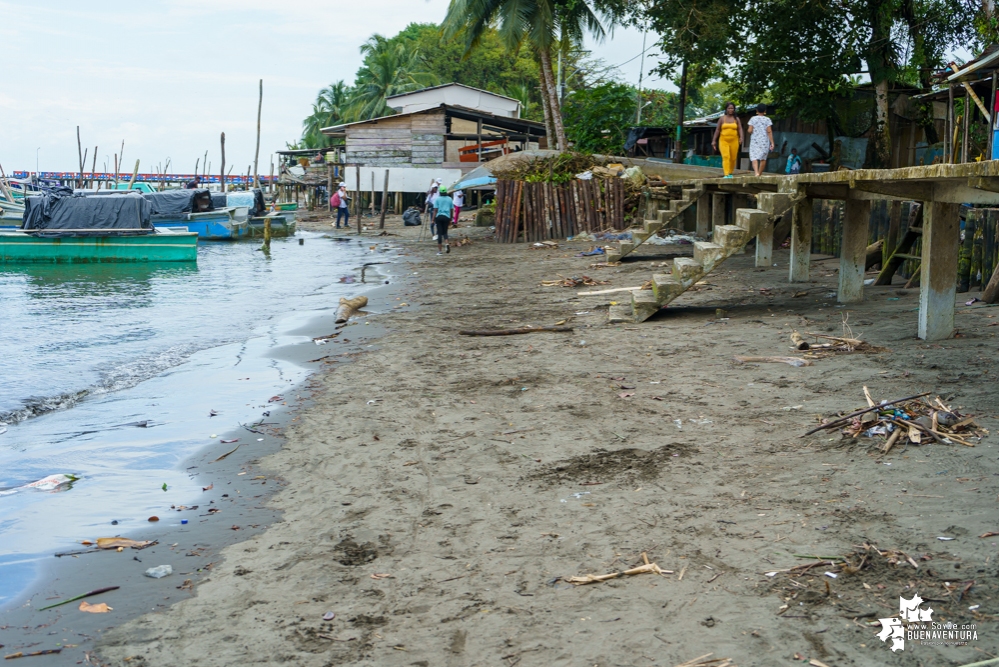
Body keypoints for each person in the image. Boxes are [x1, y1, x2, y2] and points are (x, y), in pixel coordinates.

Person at [711, 102, 744, 178]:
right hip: (723, 140)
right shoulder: (722, 118)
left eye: (732, 108)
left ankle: (730, 173)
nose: (730, 110)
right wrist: (714, 141)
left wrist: (741, 137)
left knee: (733, 158)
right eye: (729, 108)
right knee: (726, 156)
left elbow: (740, 129)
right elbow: (717, 130)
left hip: (734, 140)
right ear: (726, 109)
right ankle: (726, 174)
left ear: (734, 109)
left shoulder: (737, 119)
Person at [747, 103, 775, 176]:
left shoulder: (752, 119)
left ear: (757, 110)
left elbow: (749, 130)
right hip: (764, 141)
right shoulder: (767, 119)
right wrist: (772, 143)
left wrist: (752, 130)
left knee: (754, 157)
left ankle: (756, 172)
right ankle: (760, 173)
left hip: (755, 140)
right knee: (763, 158)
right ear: (765, 111)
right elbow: (769, 131)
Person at [432, 186, 454, 255]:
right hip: (446, 217)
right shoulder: (449, 199)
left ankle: (440, 251)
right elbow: (451, 210)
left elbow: (435, 210)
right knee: (445, 232)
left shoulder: (437, 199)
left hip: (439, 217)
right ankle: (447, 243)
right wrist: (451, 219)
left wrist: (433, 219)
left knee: (439, 233)